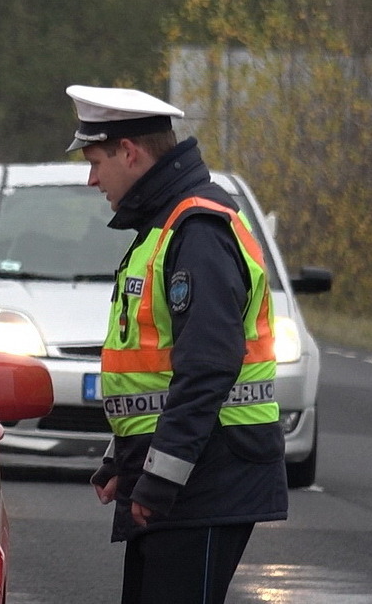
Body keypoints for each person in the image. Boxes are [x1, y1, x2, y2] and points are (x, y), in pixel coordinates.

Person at [66, 85, 287, 603]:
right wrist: (126, 457)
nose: (91, 178)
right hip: (190, 473)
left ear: (130, 152)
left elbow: (208, 368)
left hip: (207, 479)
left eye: (96, 160)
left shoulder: (197, 229)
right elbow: (157, 373)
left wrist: (161, 477)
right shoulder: (166, 226)